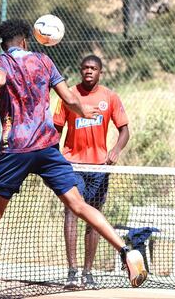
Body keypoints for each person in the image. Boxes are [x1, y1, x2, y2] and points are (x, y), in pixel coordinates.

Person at [0, 19, 147, 299]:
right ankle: (126, 250)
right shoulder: (44, 60)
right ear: (26, 41)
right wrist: (81, 111)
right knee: (78, 204)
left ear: (4, 44)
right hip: (47, 148)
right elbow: (68, 98)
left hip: (16, 149)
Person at [53, 55, 130, 289]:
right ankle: (72, 271)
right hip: (72, 165)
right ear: (80, 70)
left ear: (100, 72)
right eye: (85, 67)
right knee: (71, 212)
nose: (89, 71)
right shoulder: (67, 96)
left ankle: (88, 271)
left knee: (94, 219)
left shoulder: (110, 97)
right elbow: (55, 129)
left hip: (99, 168)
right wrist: (55, 158)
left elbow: (124, 130)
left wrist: (115, 149)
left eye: (93, 68)